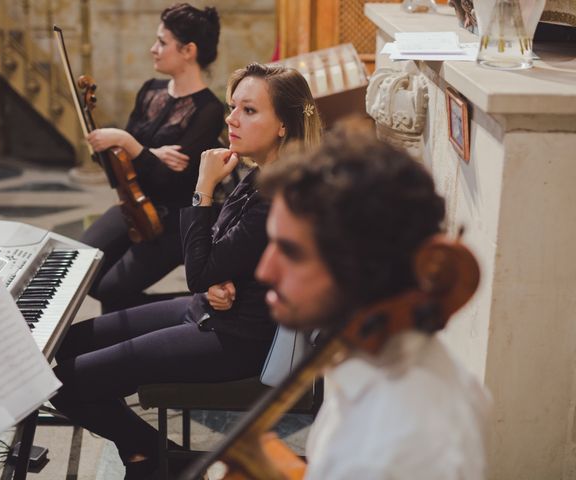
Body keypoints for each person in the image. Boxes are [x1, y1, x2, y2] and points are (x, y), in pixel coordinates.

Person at [50, 63, 322, 480]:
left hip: (236, 339)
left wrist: (204, 186)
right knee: (64, 344)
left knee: (65, 383)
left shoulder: (277, 193)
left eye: (249, 110)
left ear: (284, 125)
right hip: (207, 309)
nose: (231, 118)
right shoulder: (260, 173)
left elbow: (200, 267)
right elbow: (214, 254)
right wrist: (217, 278)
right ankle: (152, 457)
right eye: (234, 107)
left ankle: (155, 456)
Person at [255, 117, 491, 479]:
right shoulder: (370, 360)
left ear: (363, 266)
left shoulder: (392, 452)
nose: (264, 271)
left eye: (291, 252)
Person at [81, 3, 225, 313]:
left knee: (111, 288)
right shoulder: (150, 90)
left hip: (172, 220)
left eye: (162, 42)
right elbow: (121, 165)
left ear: (188, 50)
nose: (153, 49)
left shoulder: (209, 110)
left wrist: (127, 142)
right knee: (78, 262)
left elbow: (170, 181)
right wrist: (146, 153)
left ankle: (181, 309)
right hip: (134, 202)